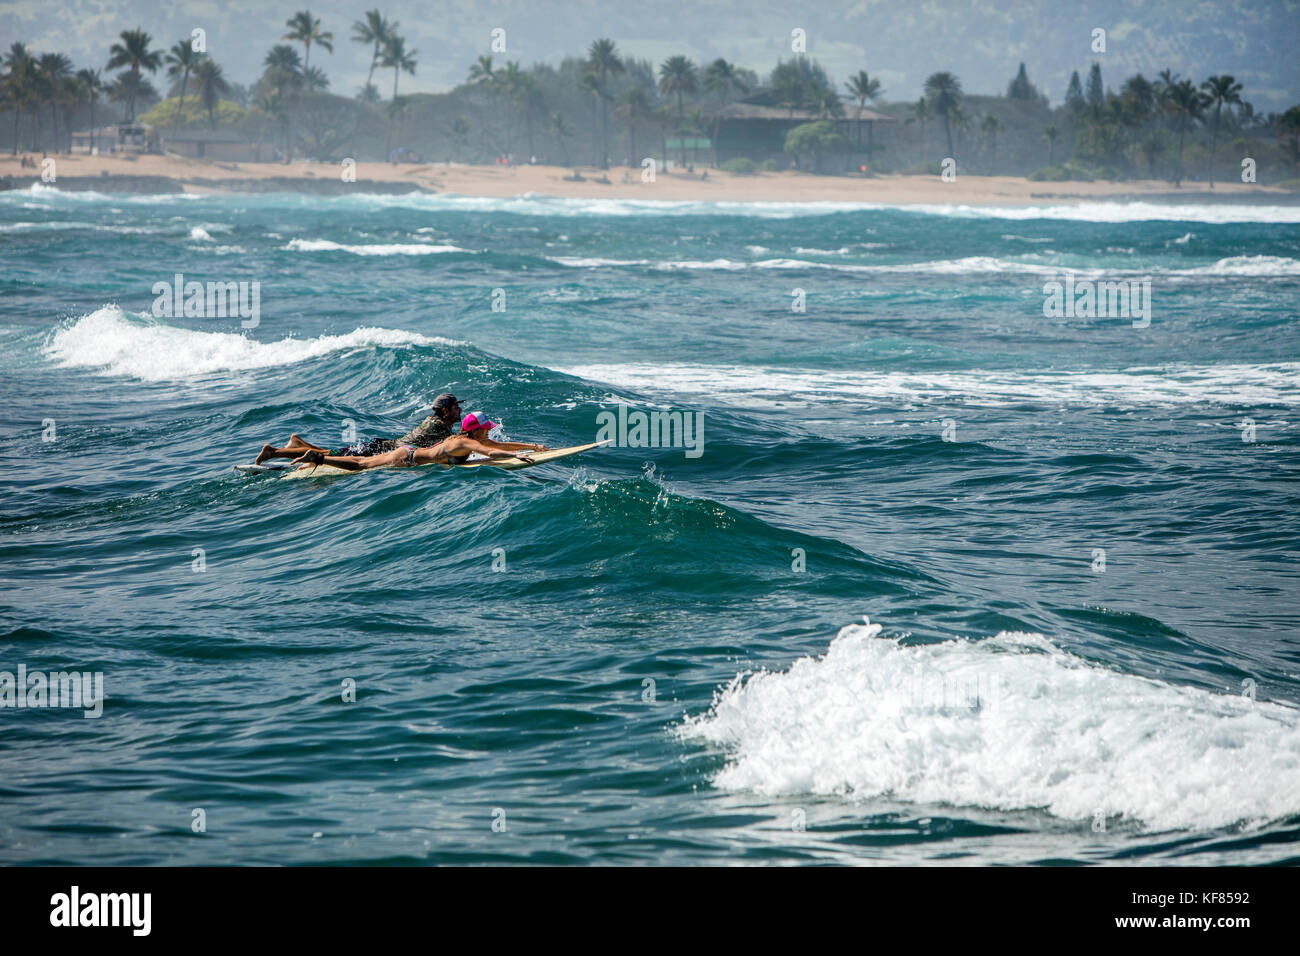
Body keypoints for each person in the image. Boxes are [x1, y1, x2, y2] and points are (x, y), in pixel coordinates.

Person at [254, 393, 465, 464]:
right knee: (329, 455)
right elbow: (455, 443)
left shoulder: (438, 423)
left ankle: (297, 444)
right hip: (375, 451)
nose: (460, 410)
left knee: (330, 453)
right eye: (456, 407)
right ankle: (274, 452)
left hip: (380, 447)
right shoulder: (438, 426)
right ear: (445, 411)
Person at [290, 413, 545, 472]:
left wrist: (533, 447)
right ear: (474, 432)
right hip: (407, 456)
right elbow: (490, 451)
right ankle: (318, 457)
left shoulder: (468, 440)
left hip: (413, 453)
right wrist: (516, 457)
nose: (489, 433)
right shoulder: (465, 443)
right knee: (361, 464)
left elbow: (496, 447)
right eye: (485, 430)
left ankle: (316, 456)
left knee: (362, 462)